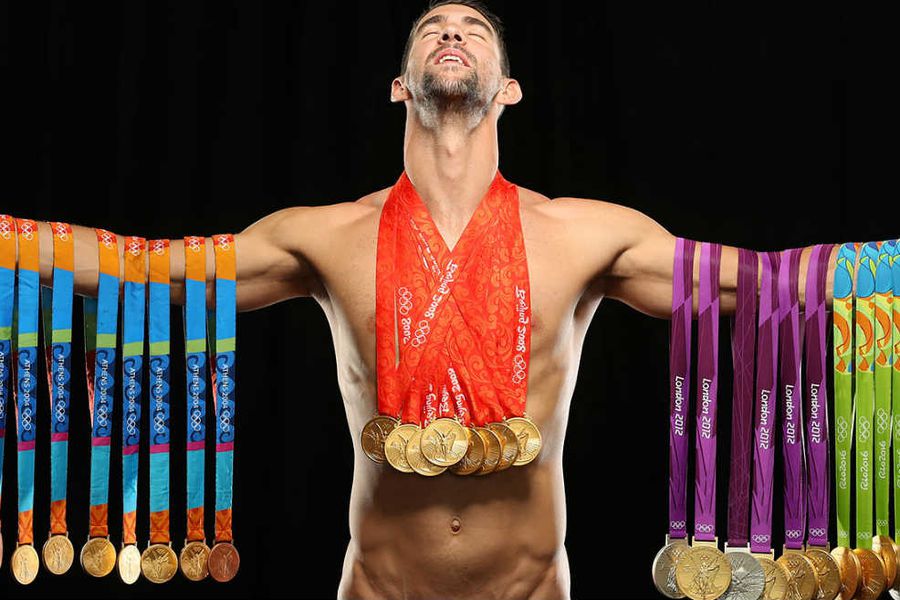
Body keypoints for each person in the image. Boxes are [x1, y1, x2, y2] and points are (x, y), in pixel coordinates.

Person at [18, 1, 842, 598]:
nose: (451, 33)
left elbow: (762, 282)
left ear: (509, 89)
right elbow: (154, 269)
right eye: (432, 29)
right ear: (398, 87)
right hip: (377, 589)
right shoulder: (329, 235)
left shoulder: (586, 235)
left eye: (473, 29)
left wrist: (879, 269)